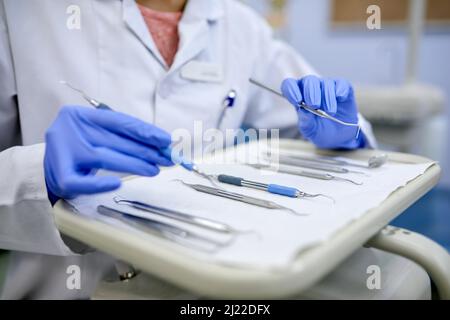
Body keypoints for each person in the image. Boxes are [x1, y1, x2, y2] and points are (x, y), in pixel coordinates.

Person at [0, 0, 375, 299]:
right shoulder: (23, 12)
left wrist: (343, 133)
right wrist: (37, 175)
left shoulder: (240, 25)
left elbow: (319, 125)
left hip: (215, 289)